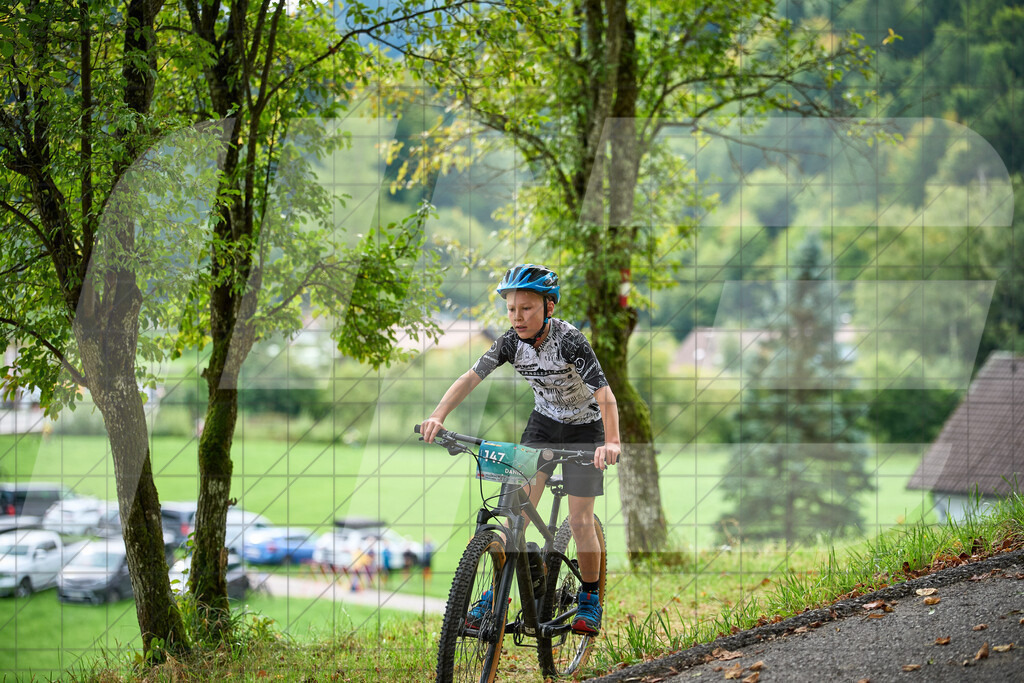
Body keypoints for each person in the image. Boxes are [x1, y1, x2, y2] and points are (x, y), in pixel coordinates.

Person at [420, 264, 620, 636]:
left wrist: (611, 441)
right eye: (512, 309)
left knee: (579, 520)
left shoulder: (570, 340)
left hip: (585, 430)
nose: (517, 317)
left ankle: (590, 599)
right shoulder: (510, 342)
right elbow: (470, 378)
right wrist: (437, 416)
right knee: (514, 516)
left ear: (549, 307)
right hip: (543, 425)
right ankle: (494, 597)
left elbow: (604, 394)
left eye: (526, 308)